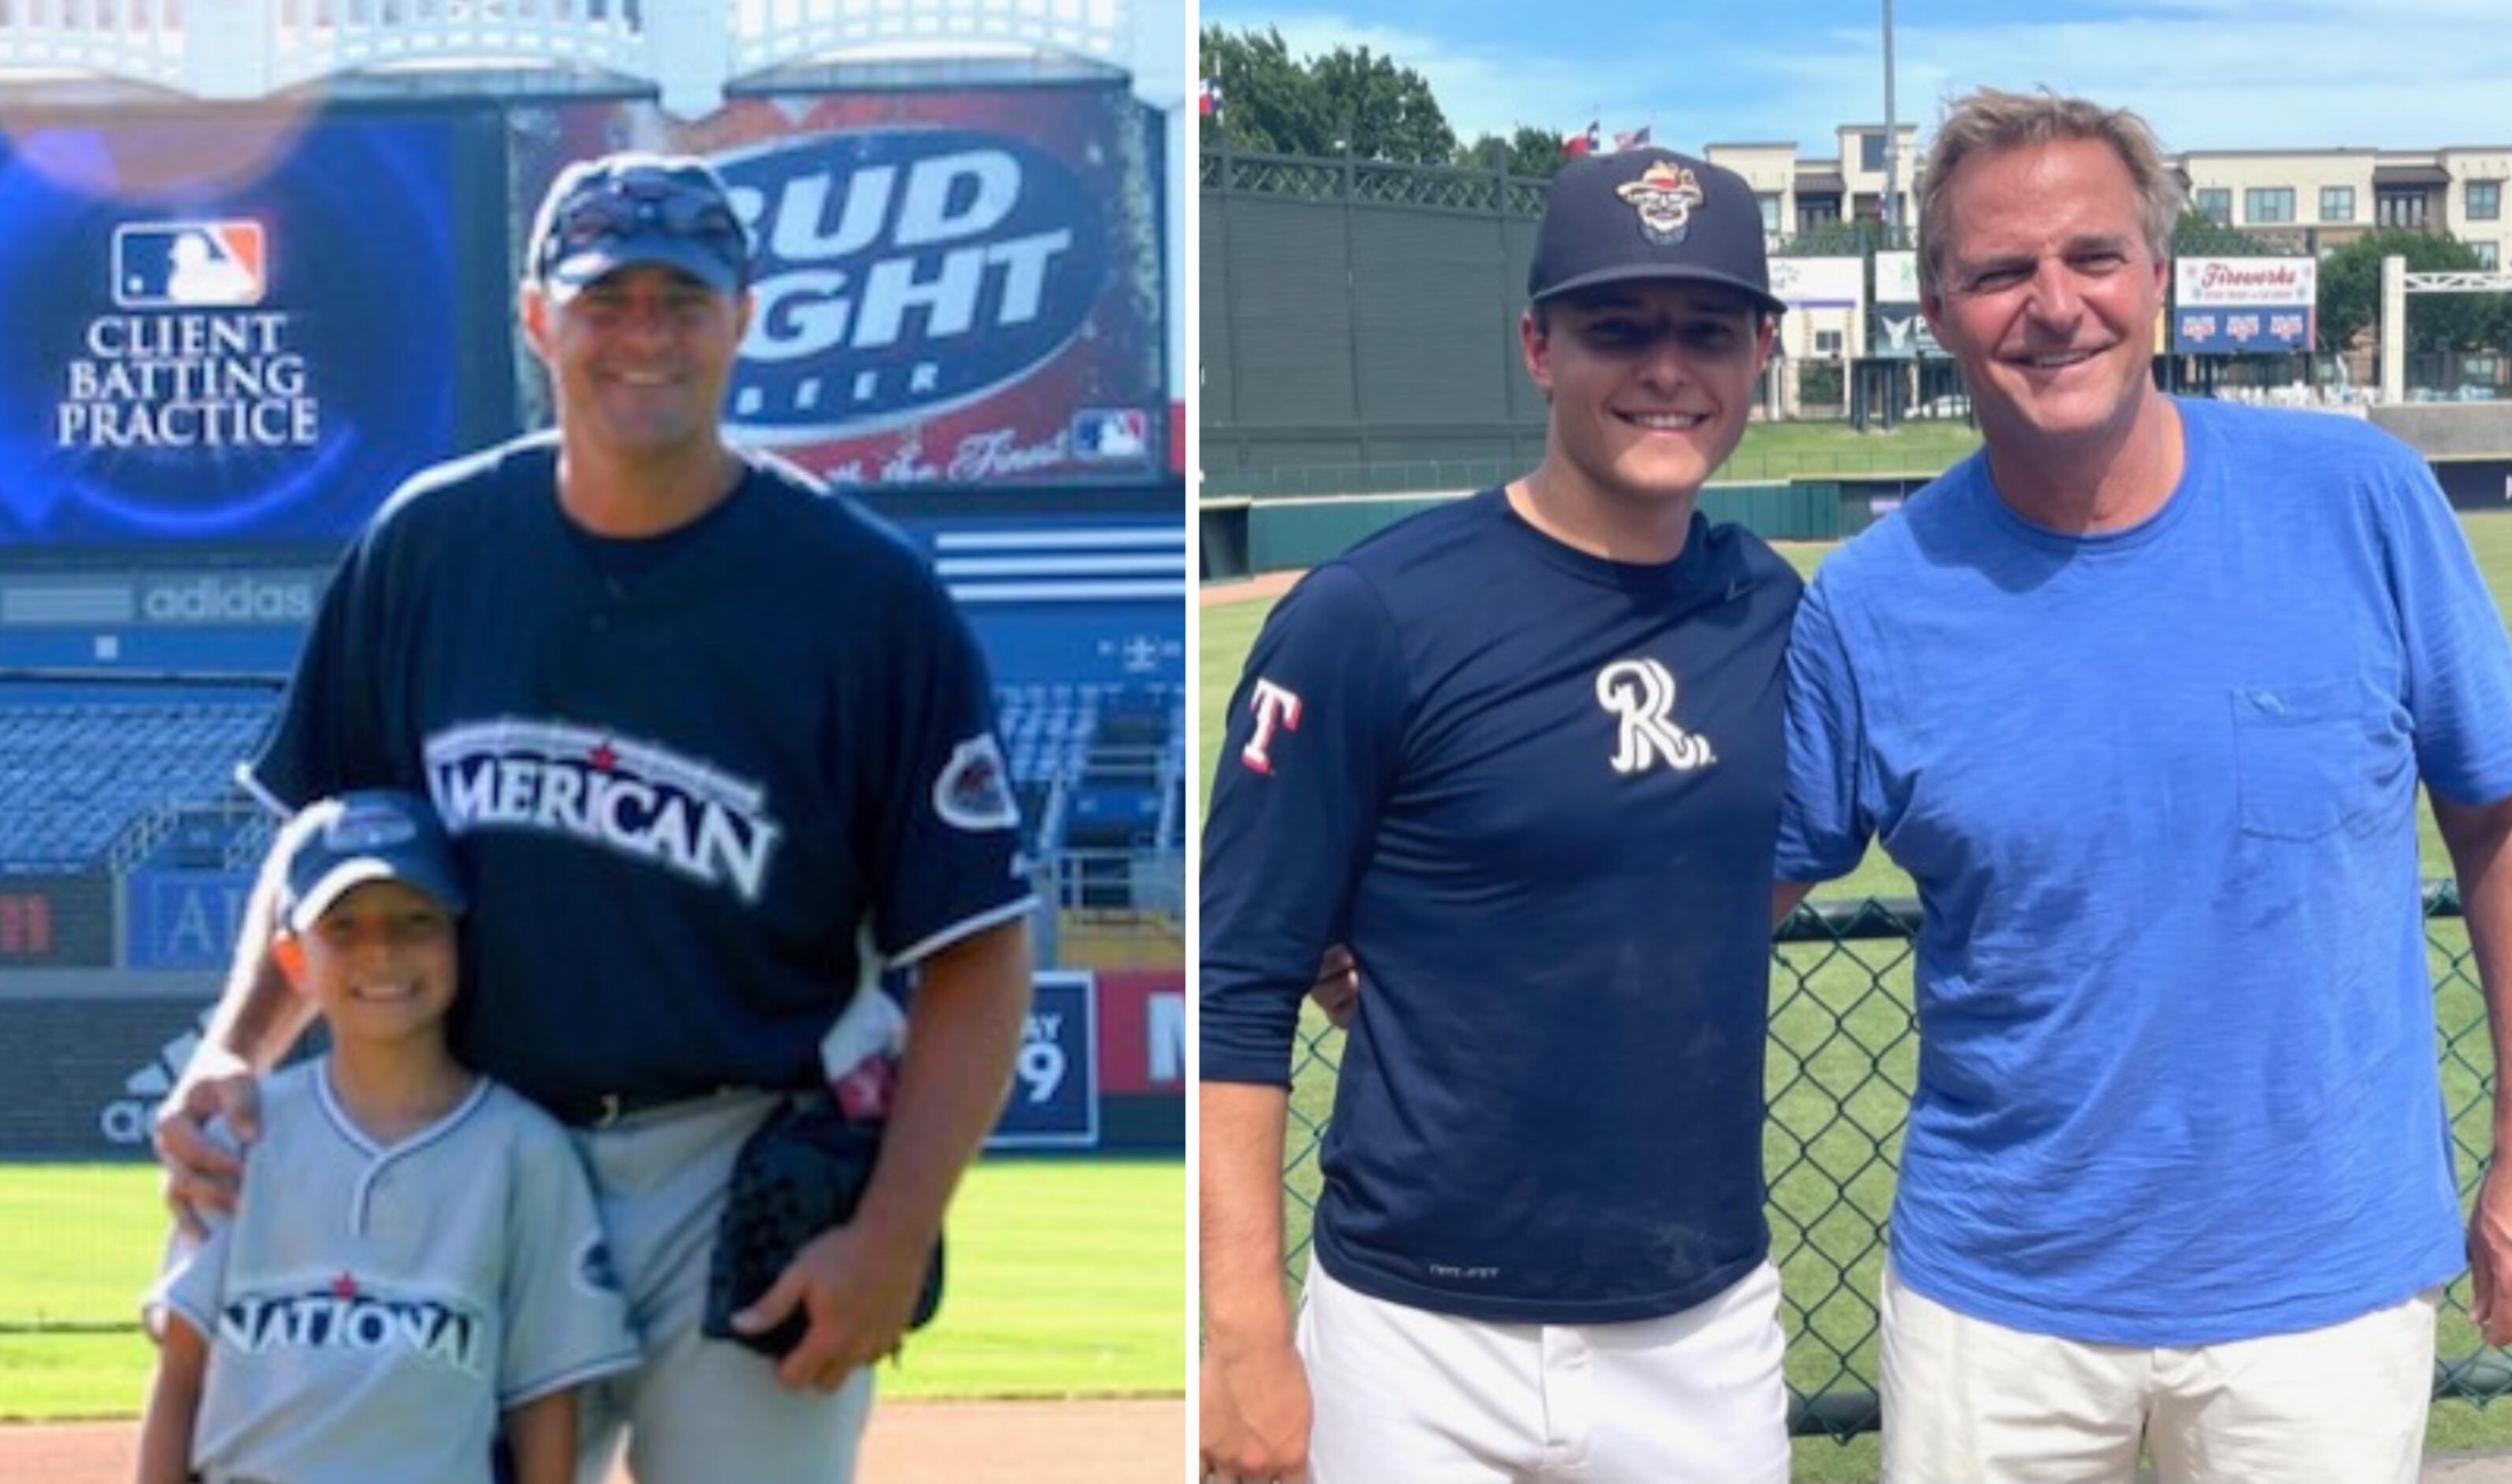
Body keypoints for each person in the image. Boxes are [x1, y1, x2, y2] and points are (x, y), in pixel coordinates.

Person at [153, 152, 1036, 1484]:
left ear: (742, 317)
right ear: (534, 318)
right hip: (476, 1146)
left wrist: (897, 1228)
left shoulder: (863, 597)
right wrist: (233, 1046)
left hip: (733, 1158)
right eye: (603, 297)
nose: (642, 334)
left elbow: (972, 946)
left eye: (681, 299)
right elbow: (324, 833)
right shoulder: (431, 548)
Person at [1773, 87, 2512, 1482]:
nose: (2051, 305)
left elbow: (2492, 815)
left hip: (2323, 1297)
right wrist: (1426, 950)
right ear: (1934, 309)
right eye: (1998, 270)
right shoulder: (1869, 601)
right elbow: (1712, 894)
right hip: (1995, 1307)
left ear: (2156, 279)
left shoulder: (2356, 499)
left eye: (2091, 256)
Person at [1199, 147, 1801, 1484]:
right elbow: (1233, 976)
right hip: (1411, 1338)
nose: (1663, 367)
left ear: (1758, 350)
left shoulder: (1772, 612)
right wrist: (1238, 1332)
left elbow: (1794, 838)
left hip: (1695, 1326)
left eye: (1704, 329)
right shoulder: (1370, 615)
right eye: (1615, 327)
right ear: (1537, 345)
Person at [135, 789, 639, 1484]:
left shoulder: (523, 1152)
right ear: (293, 960)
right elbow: (183, 1377)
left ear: (461, 937)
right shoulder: (243, 1136)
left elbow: (543, 1400)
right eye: (343, 926)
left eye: (416, 920)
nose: (381, 952)